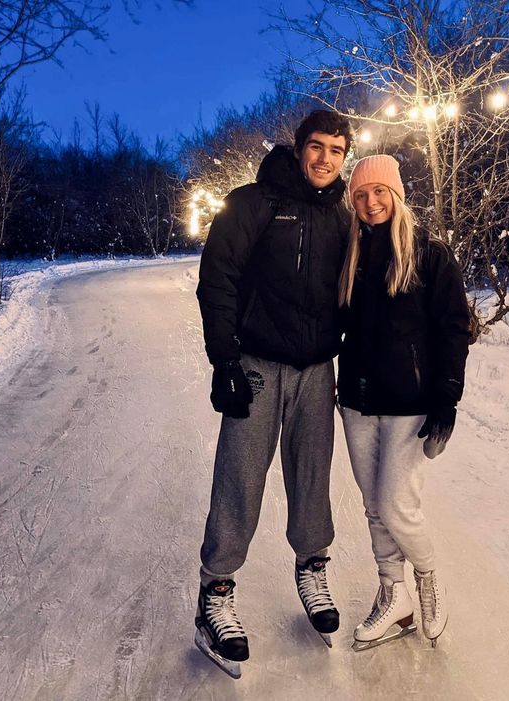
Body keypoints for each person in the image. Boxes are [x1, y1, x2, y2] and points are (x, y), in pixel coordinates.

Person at [193, 110, 353, 676]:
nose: (325, 159)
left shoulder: (344, 217)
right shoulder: (254, 203)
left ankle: (312, 567)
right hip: (259, 363)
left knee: (312, 475)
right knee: (239, 475)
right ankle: (215, 593)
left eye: (336, 150)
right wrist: (225, 361)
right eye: (317, 147)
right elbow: (218, 279)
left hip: (316, 370)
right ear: (299, 147)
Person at [336, 155, 471, 651]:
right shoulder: (348, 254)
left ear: (395, 195)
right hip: (355, 400)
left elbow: (455, 328)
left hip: (410, 404)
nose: (371, 204)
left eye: (379, 193)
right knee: (374, 505)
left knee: (397, 504)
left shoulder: (430, 255)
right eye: (361, 196)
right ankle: (393, 597)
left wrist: (446, 399)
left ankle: (427, 581)